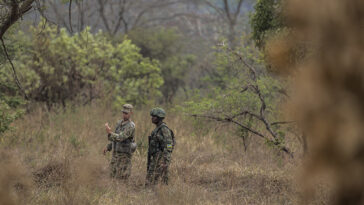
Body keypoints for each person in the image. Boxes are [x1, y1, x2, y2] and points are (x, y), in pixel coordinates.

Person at [103, 104, 135, 180]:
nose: (124, 115)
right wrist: (108, 147)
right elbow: (115, 138)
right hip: (115, 155)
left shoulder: (131, 126)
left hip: (124, 156)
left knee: (122, 178)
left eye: (126, 113)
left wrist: (110, 133)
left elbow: (121, 137)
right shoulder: (119, 123)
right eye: (123, 113)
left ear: (131, 113)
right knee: (112, 176)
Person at [146, 107, 174, 186]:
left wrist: (165, 161)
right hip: (155, 157)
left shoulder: (164, 129)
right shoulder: (157, 129)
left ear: (159, 118)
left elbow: (169, 145)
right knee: (151, 179)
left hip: (160, 159)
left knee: (158, 180)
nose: (152, 118)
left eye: (154, 117)